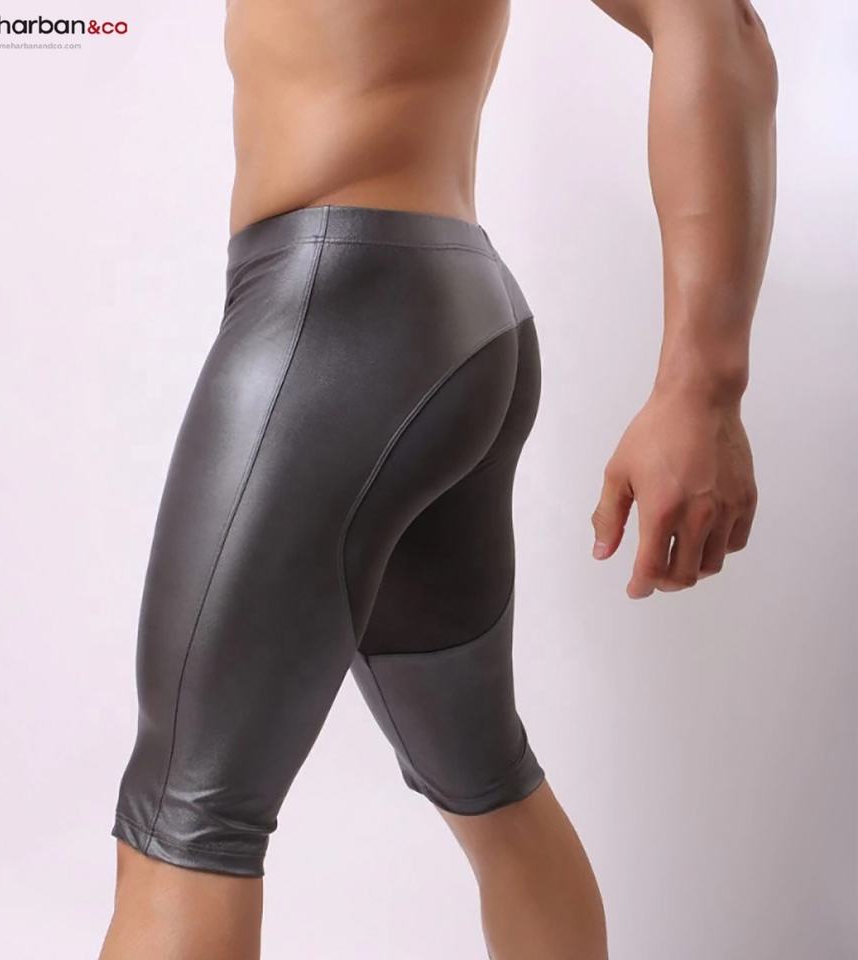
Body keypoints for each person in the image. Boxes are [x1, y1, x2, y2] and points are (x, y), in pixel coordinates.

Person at [98, 0, 777, 957]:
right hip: (433, 320)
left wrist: (702, 387)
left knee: (187, 817)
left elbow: (712, 20)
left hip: (339, 318)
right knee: (483, 777)